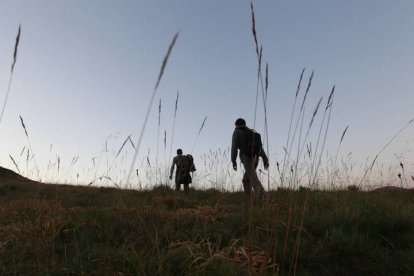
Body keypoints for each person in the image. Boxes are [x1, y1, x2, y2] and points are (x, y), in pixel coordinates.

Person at [231, 118, 269, 199]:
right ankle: (249, 199)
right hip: (256, 158)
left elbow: (234, 148)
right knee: (246, 180)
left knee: (253, 178)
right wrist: (265, 159)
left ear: (236, 125)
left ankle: (264, 198)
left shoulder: (237, 132)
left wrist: (233, 161)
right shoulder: (250, 132)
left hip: (247, 158)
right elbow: (259, 147)